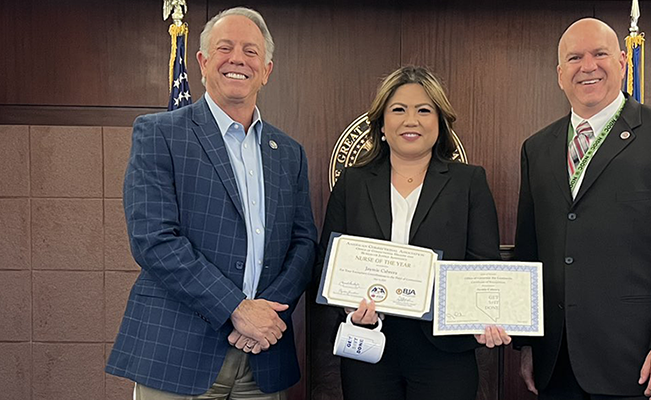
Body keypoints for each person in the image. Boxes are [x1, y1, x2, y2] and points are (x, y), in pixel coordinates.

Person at [106, 7, 318, 400]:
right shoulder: (160, 134)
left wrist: (266, 315)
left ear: (267, 70)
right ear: (203, 63)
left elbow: (304, 243)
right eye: (225, 48)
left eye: (251, 51)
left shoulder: (289, 153)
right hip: (178, 351)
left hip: (263, 356)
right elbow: (153, 239)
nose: (238, 59)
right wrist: (237, 308)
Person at [512, 18, 651, 400]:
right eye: (574, 58)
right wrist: (527, 344)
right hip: (557, 364)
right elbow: (531, 251)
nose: (588, 66)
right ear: (560, 74)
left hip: (640, 363)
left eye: (600, 54)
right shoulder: (537, 148)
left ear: (623, 61)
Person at [318, 65, 512, 400]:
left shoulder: (469, 182)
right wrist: (348, 309)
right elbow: (328, 264)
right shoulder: (353, 183)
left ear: (439, 123)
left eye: (424, 110)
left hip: (445, 354)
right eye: (398, 110)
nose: (411, 120)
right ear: (381, 124)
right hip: (369, 345)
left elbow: (482, 265)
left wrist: (486, 316)